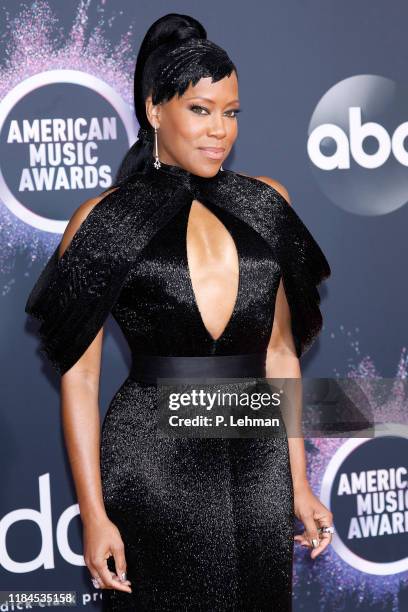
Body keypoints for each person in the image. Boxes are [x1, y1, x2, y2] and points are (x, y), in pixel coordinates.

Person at [25, 12, 334, 612]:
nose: (220, 130)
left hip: (257, 462)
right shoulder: (104, 220)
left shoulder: (269, 205)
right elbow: (81, 377)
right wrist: (93, 515)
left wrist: (298, 483)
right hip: (153, 465)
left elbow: (279, 355)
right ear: (153, 110)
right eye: (200, 109)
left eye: (231, 112)